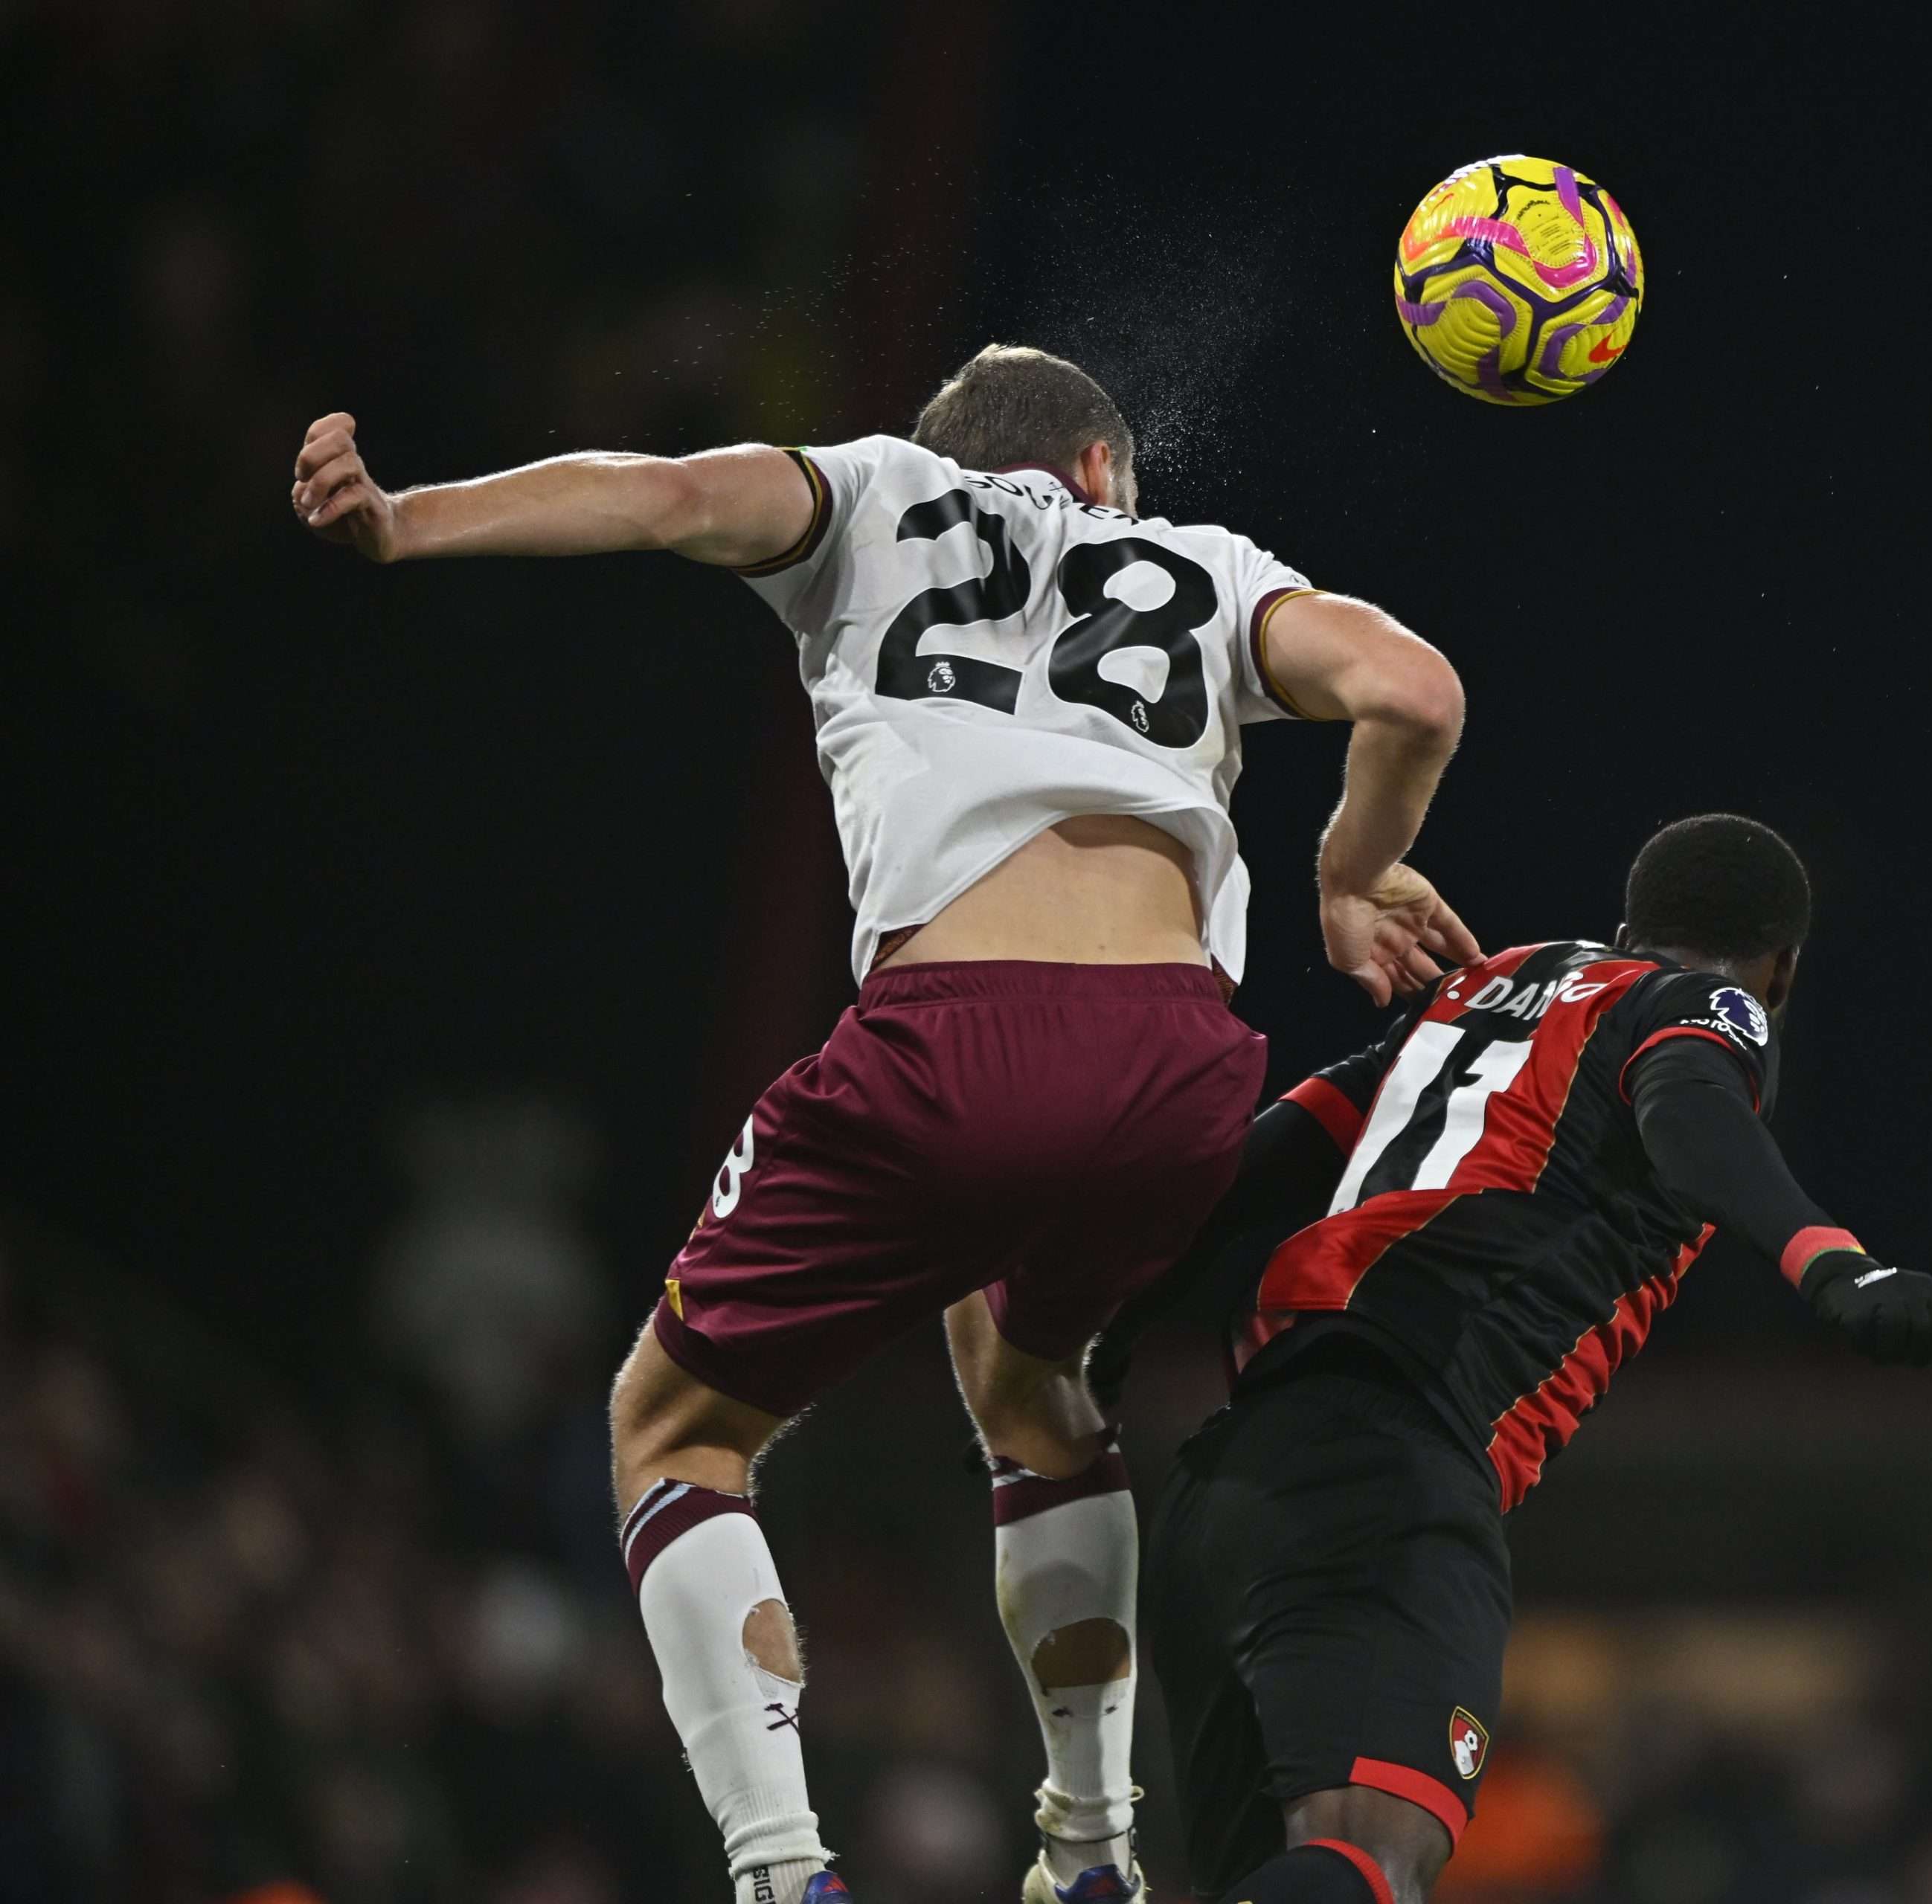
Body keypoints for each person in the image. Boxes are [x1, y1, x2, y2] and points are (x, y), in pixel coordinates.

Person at [289, 344, 1477, 1904]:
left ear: (951, 448)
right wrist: (1343, 872)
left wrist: (408, 521)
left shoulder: (873, 488)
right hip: (1183, 1065)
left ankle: (783, 1872)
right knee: (1033, 1380)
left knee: (674, 1427)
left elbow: (656, 497)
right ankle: (1094, 1845)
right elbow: (1415, 690)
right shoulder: (1202, 563)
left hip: (958, 1039)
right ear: (1106, 471)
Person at [1097, 812, 1932, 1904]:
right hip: (1393, 1459)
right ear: (1781, 971)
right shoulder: (1700, 1008)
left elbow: (1284, 1145)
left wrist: (1105, 1318)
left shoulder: (1483, 989)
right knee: (1375, 1857)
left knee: (1283, 1877)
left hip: (1227, 1485)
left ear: (1626, 924)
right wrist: (1832, 1260)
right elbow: (1691, 1110)